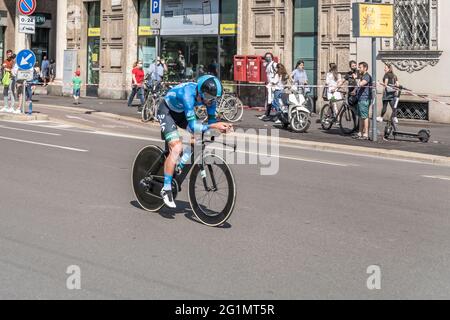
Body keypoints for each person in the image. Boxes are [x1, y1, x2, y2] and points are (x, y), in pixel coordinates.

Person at [156, 75, 233, 208]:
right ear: (200, 92)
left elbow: (211, 123)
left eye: (214, 99)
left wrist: (219, 129)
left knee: (201, 137)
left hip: (182, 113)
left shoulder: (209, 99)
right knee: (176, 148)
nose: (210, 102)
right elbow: (193, 126)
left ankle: (180, 165)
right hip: (167, 111)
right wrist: (214, 126)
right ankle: (166, 188)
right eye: (209, 98)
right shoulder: (187, 95)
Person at [353, 62, 373, 140]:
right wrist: (355, 91)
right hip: (361, 98)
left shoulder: (366, 76)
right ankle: (360, 133)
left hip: (365, 98)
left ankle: (366, 134)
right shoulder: (362, 76)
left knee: (364, 117)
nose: (359, 69)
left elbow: (361, 84)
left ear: (365, 68)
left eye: (360, 67)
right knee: (361, 117)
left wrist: (355, 78)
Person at [259, 52, 278, 121]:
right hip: (269, 85)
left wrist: (274, 82)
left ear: (272, 57)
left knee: (273, 100)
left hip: (274, 86)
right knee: (269, 100)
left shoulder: (274, 64)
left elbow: (278, 73)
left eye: (269, 56)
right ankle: (267, 114)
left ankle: (277, 115)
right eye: (267, 57)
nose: (268, 58)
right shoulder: (267, 65)